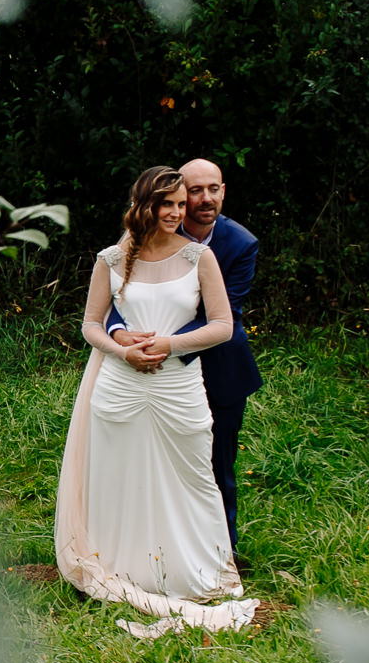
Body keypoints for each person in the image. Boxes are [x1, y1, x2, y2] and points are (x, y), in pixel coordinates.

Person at [54, 166, 256, 636]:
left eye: (181, 205)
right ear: (144, 205)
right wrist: (122, 348)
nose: (177, 212)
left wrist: (169, 346)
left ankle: (192, 569)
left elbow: (222, 326)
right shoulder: (112, 257)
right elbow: (89, 324)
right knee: (118, 476)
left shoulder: (199, 257)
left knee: (192, 475)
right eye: (168, 204)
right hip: (120, 385)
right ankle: (124, 566)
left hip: (177, 385)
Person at [107, 158, 262, 558]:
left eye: (214, 189)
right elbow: (119, 296)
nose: (205, 199)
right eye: (195, 191)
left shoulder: (240, 244)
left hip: (218, 368)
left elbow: (222, 315)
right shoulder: (138, 240)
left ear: (224, 191)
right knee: (149, 462)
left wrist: (162, 343)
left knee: (214, 467)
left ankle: (220, 554)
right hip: (147, 369)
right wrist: (121, 335)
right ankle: (152, 550)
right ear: (172, 196)